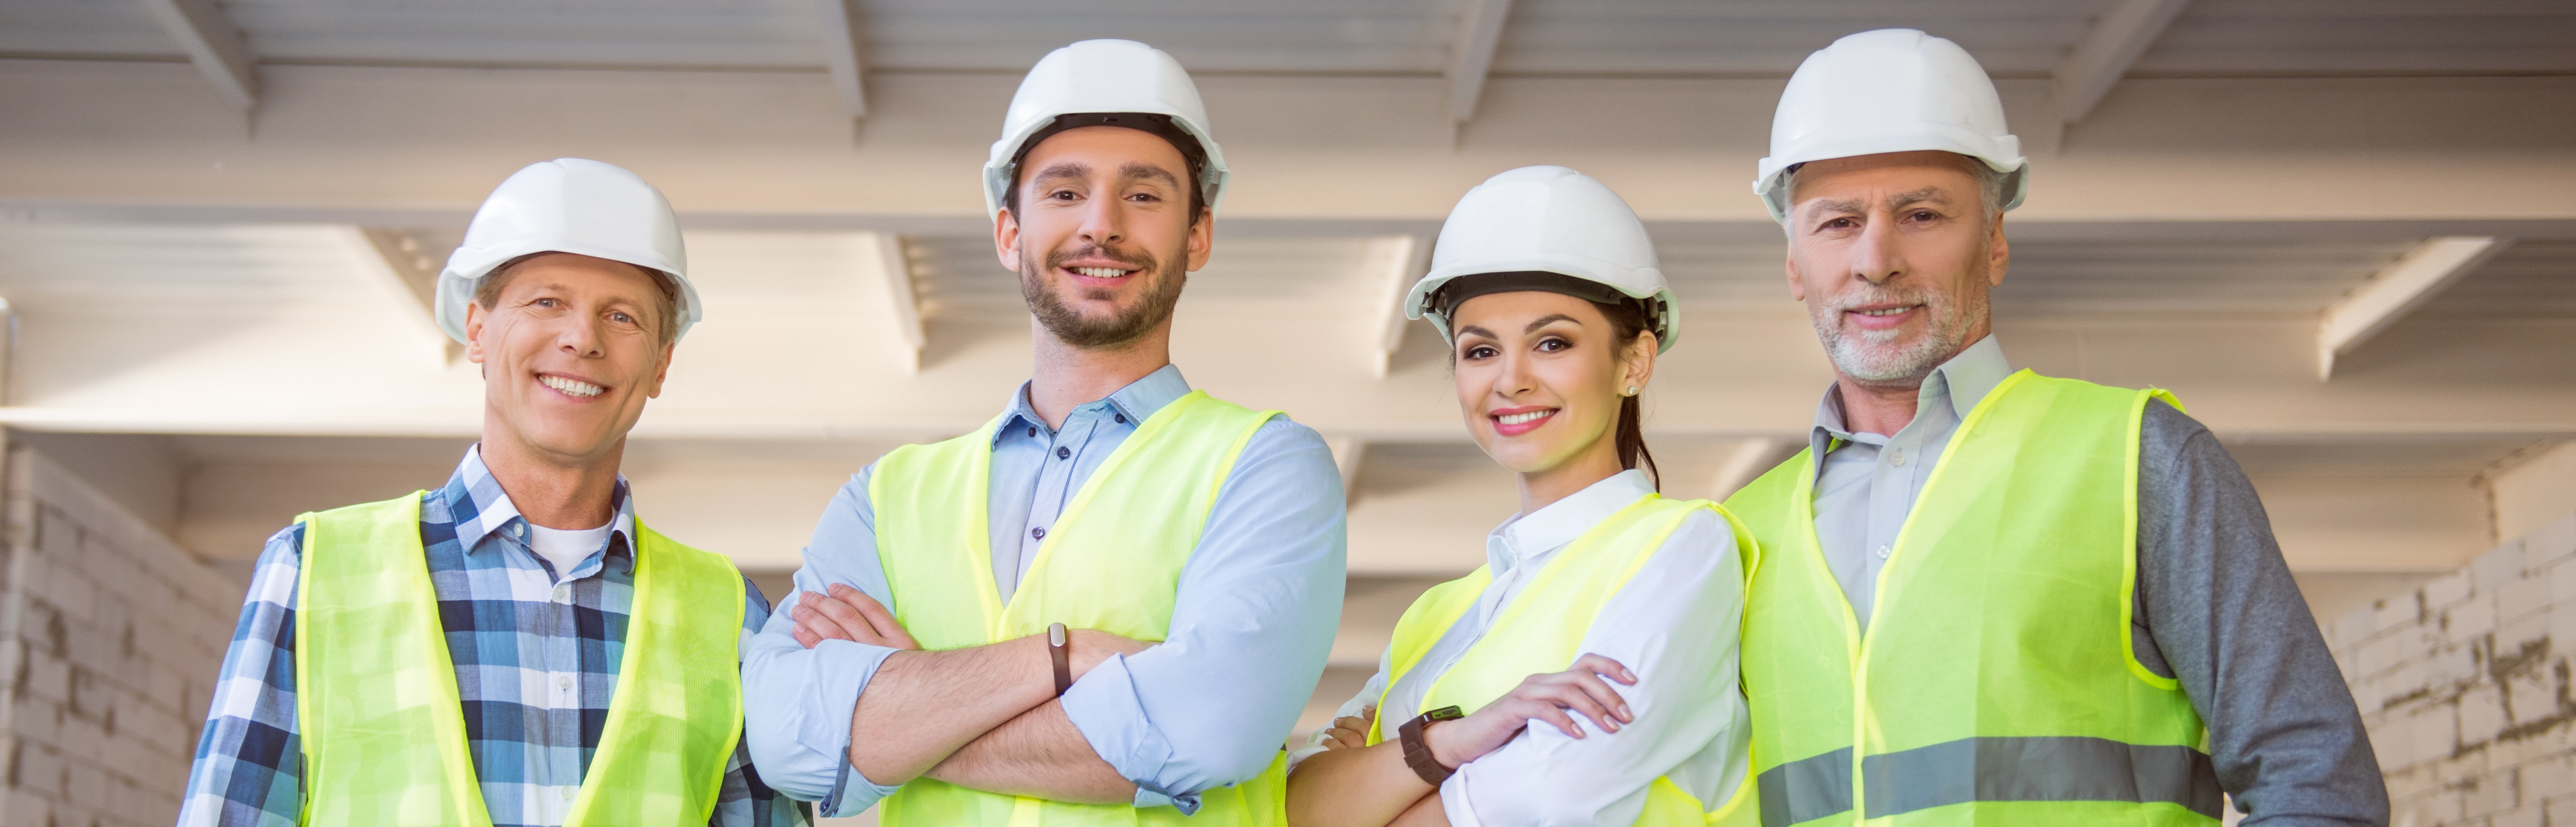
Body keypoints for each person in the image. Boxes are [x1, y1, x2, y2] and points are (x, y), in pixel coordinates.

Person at [1725, 29, 2387, 827]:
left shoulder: (2138, 460)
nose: (1876, 259)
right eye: (1836, 223)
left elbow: (2315, 781)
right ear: (1793, 265)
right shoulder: (1737, 539)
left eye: (1922, 214)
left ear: (1994, 241)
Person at [738, 38, 1348, 827]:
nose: (1102, 225)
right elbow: (790, 741)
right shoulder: (884, 497)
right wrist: (1062, 658)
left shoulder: (1265, 466)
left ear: (1197, 236)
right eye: (1064, 193)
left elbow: (1205, 731)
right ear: (1008, 233)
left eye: (1144, 195)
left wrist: (905, 705)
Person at [176, 159, 799, 827]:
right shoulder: (314, 570)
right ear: (476, 328)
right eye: (546, 301)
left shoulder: (729, 613)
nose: (581, 338)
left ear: (661, 363)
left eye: (621, 316)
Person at [1286, 166, 1754, 827]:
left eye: (1552, 343)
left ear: (1634, 362)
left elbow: (1550, 798)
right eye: (1480, 350)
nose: (1510, 380)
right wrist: (1452, 739)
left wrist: (1382, 781)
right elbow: (1300, 808)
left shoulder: (1680, 548)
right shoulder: (1436, 617)